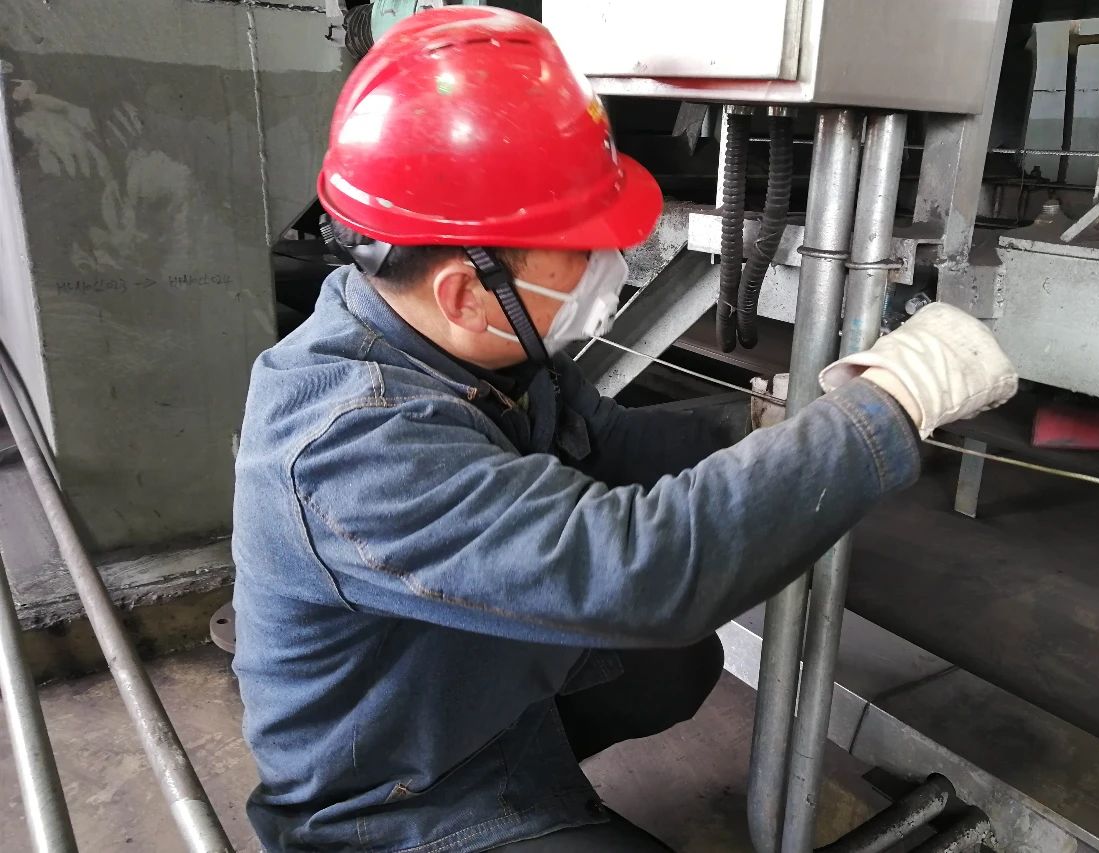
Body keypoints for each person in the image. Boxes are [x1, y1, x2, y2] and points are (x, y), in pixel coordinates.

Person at [230, 7, 1017, 852]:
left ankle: (536, 780)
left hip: (455, 695)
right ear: (464, 290)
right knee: (651, 616)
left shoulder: (466, 343)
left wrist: (761, 420)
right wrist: (887, 407)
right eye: (581, 250)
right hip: (393, 795)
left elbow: (605, 444)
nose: (610, 268)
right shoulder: (353, 443)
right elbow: (643, 572)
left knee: (671, 665)